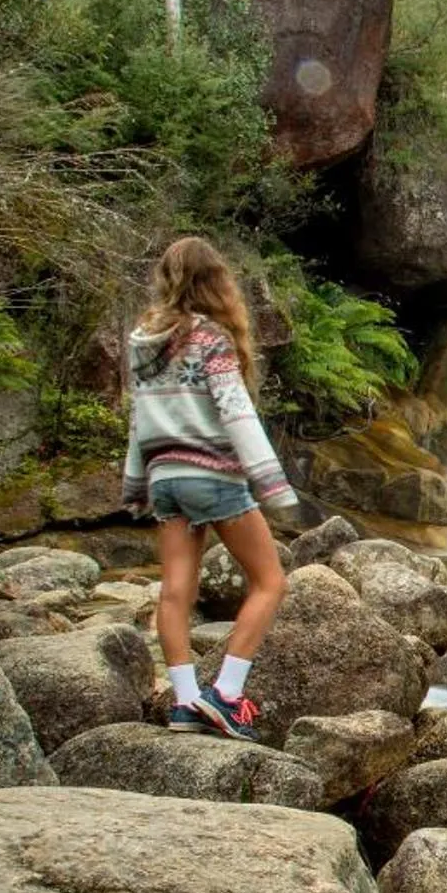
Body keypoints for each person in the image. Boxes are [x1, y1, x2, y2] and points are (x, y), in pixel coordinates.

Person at [120, 237, 297, 739]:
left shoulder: (142, 343)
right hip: (212, 476)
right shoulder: (212, 340)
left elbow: (140, 420)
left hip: (165, 480)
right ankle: (227, 693)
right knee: (270, 581)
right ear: (215, 281)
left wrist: (137, 484)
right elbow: (236, 412)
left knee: (176, 590)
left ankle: (185, 702)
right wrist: (272, 484)